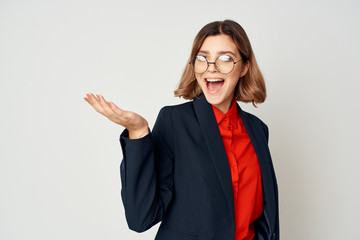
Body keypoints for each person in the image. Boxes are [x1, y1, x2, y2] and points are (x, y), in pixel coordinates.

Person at [84, 19, 279, 240]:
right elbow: (141, 218)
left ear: (244, 67)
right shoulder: (174, 122)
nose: (211, 68)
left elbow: (263, 217)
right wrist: (137, 132)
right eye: (203, 58)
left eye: (225, 59)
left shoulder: (258, 130)